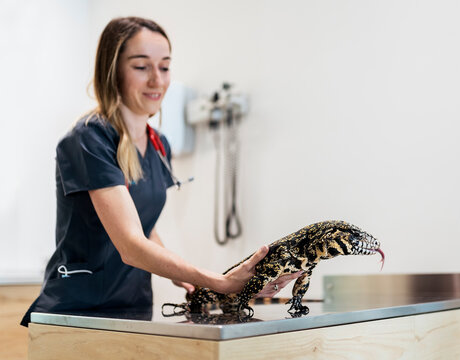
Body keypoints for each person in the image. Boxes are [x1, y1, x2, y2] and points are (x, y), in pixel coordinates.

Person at [21, 16, 300, 326]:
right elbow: (130, 244)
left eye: (165, 67)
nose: (157, 79)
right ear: (112, 71)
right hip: (78, 312)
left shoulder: (159, 145)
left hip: (133, 308)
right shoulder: (88, 139)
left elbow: (144, 227)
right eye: (142, 67)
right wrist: (217, 281)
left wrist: (188, 279)